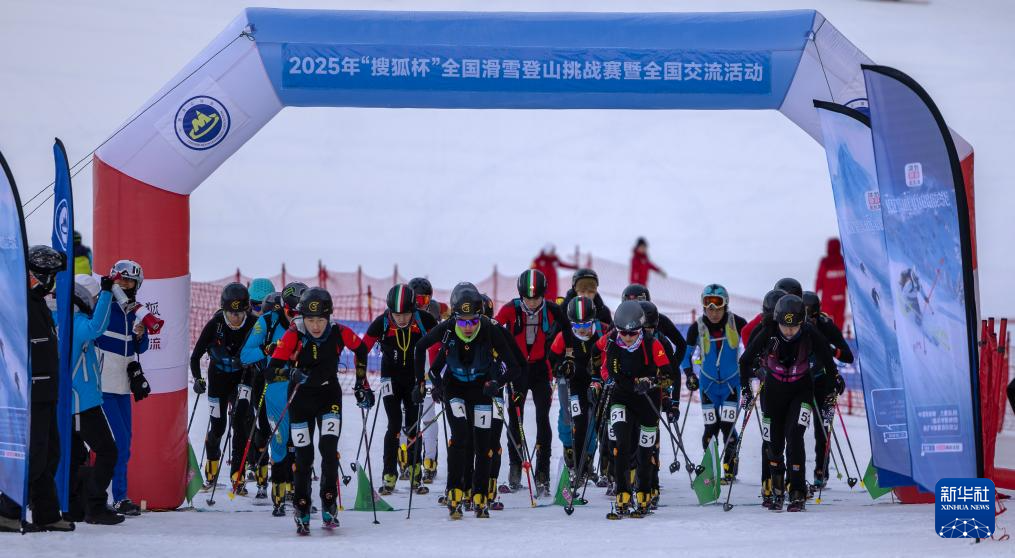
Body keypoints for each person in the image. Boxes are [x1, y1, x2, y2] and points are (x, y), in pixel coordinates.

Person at [414, 283, 521, 519]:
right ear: (454, 316)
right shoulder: (448, 328)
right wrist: (427, 384)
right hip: (455, 390)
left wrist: (498, 383)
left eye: (473, 320)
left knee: (483, 445)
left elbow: (516, 365)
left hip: (482, 391)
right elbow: (421, 348)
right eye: (463, 321)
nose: (469, 326)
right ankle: (455, 490)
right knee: (460, 437)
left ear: (480, 316)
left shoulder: (490, 329)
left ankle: (480, 494)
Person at [268, 287, 370, 534]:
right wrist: (291, 372)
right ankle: (301, 506)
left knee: (328, 449)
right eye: (311, 320)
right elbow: (271, 371)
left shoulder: (338, 331)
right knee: (303, 456)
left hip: (329, 396)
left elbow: (362, 349)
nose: (316, 326)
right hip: (301, 399)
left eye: (320, 320)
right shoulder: (295, 333)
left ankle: (328, 501)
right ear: (303, 318)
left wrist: (360, 383)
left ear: (329, 317)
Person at [739, 294, 839, 512]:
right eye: (785, 326)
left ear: (802, 322)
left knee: (795, 436)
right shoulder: (768, 332)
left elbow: (830, 365)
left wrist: (830, 393)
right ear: (778, 321)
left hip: (801, 392)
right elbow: (745, 361)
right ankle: (776, 490)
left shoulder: (810, 333)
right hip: (774, 393)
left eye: (794, 326)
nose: (790, 331)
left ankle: (797, 491)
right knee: (774, 444)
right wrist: (746, 389)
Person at [0, 246, 74, 533]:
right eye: (51, 275)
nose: (53, 282)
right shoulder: (18, 304)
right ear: (37, 275)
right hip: (29, 392)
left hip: (46, 392)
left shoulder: (37, 301)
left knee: (50, 453)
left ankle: (46, 512)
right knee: (33, 454)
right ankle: (7, 510)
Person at [494, 269, 572, 496]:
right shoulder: (511, 308)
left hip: (540, 369)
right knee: (515, 416)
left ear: (543, 295)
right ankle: (516, 467)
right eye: (528, 298)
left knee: (542, 417)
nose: (532, 303)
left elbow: (567, 327)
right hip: (517, 370)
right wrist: (499, 357)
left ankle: (542, 473)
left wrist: (567, 355)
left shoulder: (551, 309)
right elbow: (494, 329)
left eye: (536, 298)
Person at [596, 300, 675, 519]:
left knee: (645, 451)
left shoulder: (652, 344)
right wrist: (607, 379)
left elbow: (668, 375)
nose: (628, 338)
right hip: (621, 398)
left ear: (640, 330)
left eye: (633, 333)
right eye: (623, 333)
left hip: (647, 401)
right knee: (621, 444)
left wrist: (650, 382)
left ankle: (644, 493)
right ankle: (622, 494)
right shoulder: (612, 342)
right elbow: (609, 370)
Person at [362, 284, 438, 495]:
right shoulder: (382, 322)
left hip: (414, 379)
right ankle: (389, 474)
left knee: (413, 425)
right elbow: (361, 351)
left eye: (406, 314)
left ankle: (415, 473)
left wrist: (435, 377)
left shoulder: (425, 320)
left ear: (413, 309)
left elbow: (442, 346)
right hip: (390, 378)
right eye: (397, 314)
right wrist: (363, 382)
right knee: (394, 424)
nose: (401, 318)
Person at [240, 283, 304, 516]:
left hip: (301, 387)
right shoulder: (268, 321)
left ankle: (298, 495)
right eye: (291, 312)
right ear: (283, 307)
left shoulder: (311, 322)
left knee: (300, 445)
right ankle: (277, 494)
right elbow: (245, 354)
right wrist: (266, 350)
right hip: (275, 385)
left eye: (300, 313)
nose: (295, 318)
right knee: (278, 442)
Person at [67, 274, 124, 525]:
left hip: (74, 402)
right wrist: (108, 294)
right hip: (82, 404)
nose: (94, 302)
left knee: (77, 455)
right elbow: (97, 327)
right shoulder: (76, 322)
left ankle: (74, 505)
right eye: (93, 298)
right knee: (107, 451)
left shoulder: (62, 320)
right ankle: (95, 506)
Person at [190, 283, 256, 493]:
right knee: (218, 426)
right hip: (218, 379)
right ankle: (211, 473)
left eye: (239, 313)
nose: (235, 318)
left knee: (240, 423)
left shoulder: (254, 324)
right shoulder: (215, 324)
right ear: (224, 309)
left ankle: (238, 477)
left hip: (243, 377)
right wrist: (198, 379)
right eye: (231, 312)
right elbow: (195, 356)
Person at [96, 259, 150, 517]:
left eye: (130, 281)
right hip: (103, 384)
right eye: (121, 280)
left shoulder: (136, 310)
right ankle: (99, 495)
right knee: (113, 443)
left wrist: (141, 334)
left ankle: (119, 497)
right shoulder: (105, 304)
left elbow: (141, 348)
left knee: (125, 442)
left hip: (123, 386)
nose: (125, 285)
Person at [681, 284, 747, 483]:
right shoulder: (697, 326)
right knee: (710, 428)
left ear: (725, 306)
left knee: (727, 426)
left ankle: (729, 467)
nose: (713, 312)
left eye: (717, 308)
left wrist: (753, 367)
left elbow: (755, 344)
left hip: (731, 385)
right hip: (708, 387)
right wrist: (690, 375)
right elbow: (685, 357)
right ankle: (710, 469)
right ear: (704, 307)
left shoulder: (738, 322)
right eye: (709, 307)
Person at [548, 296, 603, 480]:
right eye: (577, 326)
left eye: (586, 325)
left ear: (593, 321)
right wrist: (560, 367)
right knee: (578, 421)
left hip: (595, 381)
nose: (582, 330)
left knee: (595, 421)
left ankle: (590, 462)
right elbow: (552, 358)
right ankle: (577, 467)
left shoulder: (601, 334)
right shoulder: (564, 335)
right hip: (574, 383)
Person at [802, 291, 852, 489]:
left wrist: (830, 350)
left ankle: (820, 473)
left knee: (822, 430)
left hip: (824, 382)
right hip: (802, 383)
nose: (809, 321)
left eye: (812, 317)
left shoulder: (826, 325)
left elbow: (848, 356)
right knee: (795, 429)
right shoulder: (793, 325)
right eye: (805, 317)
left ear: (817, 314)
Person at [408, 277, 441, 484]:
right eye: (417, 299)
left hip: (428, 372)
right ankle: (408, 459)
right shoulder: (404, 313)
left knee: (428, 417)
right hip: (408, 372)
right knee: (408, 418)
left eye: (425, 298)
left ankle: (430, 460)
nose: (421, 303)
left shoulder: (433, 312)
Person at [621, 284, 687, 365]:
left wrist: (672, 367)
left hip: (657, 372)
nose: (633, 305)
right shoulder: (620, 321)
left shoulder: (660, 320)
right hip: (630, 373)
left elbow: (681, 345)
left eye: (637, 300)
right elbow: (608, 349)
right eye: (629, 300)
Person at [815, 238, 847, 328]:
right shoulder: (843, 262)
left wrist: (816, 293)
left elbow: (819, 279)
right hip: (841, 298)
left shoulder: (825, 263)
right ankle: (838, 339)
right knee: (839, 322)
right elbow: (847, 281)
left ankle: (826, 339)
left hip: (828, 300)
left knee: (824, 321)